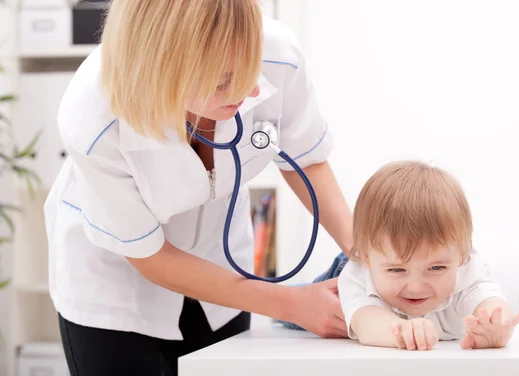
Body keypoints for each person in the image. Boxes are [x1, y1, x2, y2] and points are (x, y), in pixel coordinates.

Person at [44, 1, 354, 375]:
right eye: (223, 80)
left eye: (251, 67)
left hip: (224, 270)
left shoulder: (279, 54)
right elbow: (149, 256)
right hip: (116, 291)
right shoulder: (94, 117)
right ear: (159, 63)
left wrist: (367, 255)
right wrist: (292, 304)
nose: (249, 89)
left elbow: (306, 157)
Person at [336, 160, 519, 350]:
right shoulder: (358, 275)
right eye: (397, 269)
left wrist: (496, 328)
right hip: (333, 279)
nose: (416, 288)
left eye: (436, 268)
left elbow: (492, 305)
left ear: (461, 255)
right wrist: (402, 331)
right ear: (367, 259)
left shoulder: (468, 271)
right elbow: (366, 323)